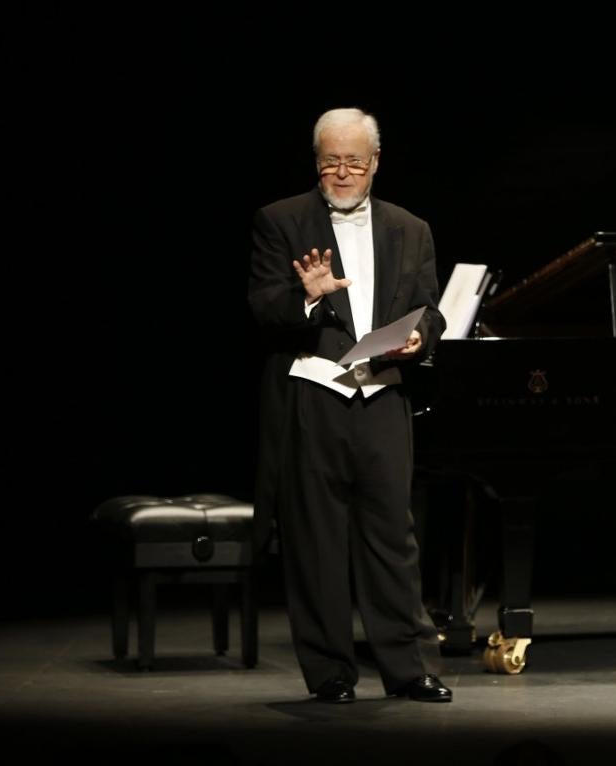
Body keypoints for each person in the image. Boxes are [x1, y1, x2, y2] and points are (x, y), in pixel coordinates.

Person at [248, 107, 451, 703]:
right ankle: (332, 672)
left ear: (375, 164)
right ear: (317, 162)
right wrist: (305, 300)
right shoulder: (280, 219)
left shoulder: (410, 227)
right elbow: (262, 307)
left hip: (383, 394)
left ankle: (407, 670)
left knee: (393, 538)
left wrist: (422, 339)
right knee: (316, 541)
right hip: (313, 395)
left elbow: (430, 307)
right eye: (331, 161)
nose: (342, 172)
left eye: (353, 162)